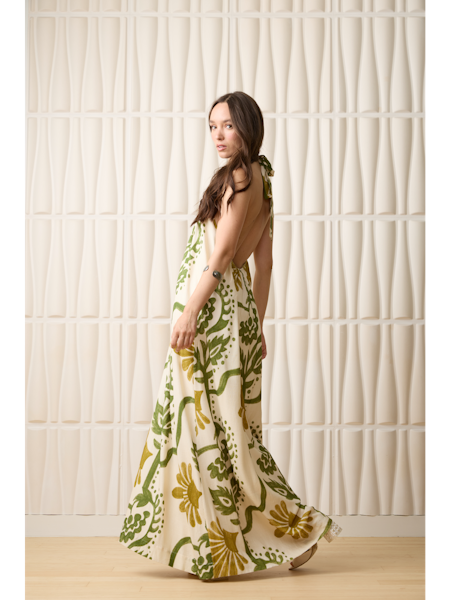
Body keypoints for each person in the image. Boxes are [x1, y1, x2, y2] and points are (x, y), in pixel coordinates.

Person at [118, 91, 342, 581]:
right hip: (232, 313)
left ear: (247, 127)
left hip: (211, 314)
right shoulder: (262, 180)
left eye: (228, 126)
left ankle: (269, 536)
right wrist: (255, 326)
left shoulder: (241, 177)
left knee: (210, 429)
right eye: (212, 126)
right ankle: (232, 543)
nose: (218, 136)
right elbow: (264, 266)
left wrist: (190, 312)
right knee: (221, 430)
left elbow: (220, 256)